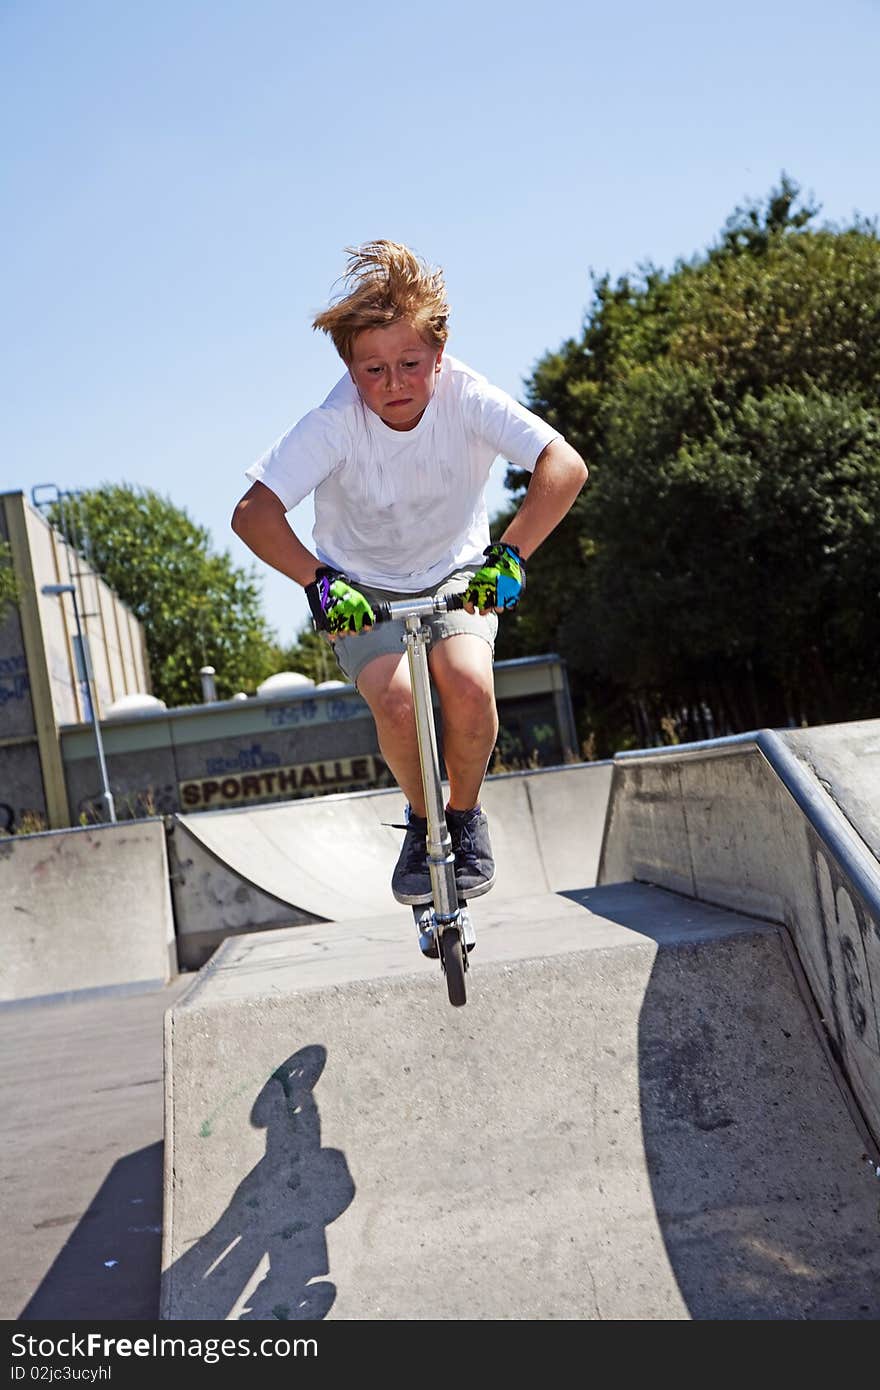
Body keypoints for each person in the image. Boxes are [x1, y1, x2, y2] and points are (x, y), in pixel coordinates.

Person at [232, 241, 588, 907]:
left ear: (439, 357)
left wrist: (509, 556)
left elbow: (563, 467)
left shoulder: (470, 397)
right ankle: (423, 823)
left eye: (410, 365)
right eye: (373, 370)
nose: (394, 383)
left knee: (468, 687)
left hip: (456, 572)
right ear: (350, 367)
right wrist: (317, 581)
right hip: (359, 587)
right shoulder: (334, 422)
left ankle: (464, 815)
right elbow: (253, 514)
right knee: (395, 699)